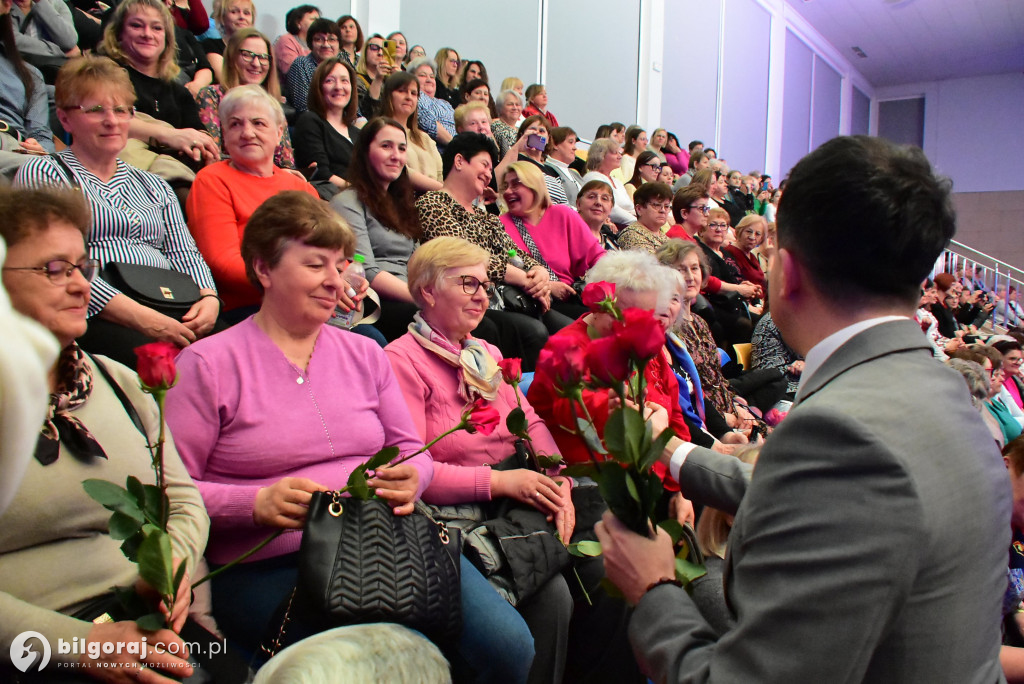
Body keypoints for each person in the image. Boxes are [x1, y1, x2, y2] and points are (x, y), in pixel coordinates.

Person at [595, 135, 1010, 683]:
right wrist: (669, 451)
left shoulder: (839, 432)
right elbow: (822, 496)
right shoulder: (949, 392)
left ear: (786, 272)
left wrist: (653, 588)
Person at [164, 192, 536, 682]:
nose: (334, 281)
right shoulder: (208, 364)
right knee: (383, 666)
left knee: (510, 647)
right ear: (264, 269)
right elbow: (172, 490)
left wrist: (414, 476)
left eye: (340, 266)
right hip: (273, 561)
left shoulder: (363, 353)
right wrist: (254, 504)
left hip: (382, 539)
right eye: (315, 264)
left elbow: (410, 450)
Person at [0, 186, 209, 681]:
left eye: (83, 267)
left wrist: (169, 567)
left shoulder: (117, 380)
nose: (81, 286)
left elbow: (182, 500)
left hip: (141, 617)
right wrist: (76, 645)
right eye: (55, 269)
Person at [385, 236, 574, 684]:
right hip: (461, 513)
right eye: (467, 283)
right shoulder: (400, 360)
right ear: (428, 291)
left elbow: (530, 421)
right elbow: (411, 472)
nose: (482, 296)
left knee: (608, 560)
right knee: (553, 597)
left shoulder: (485, 352)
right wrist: (501, 483)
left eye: (485, 285)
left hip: (518, 494)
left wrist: (558, 478)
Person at [15, 56, 220, 366]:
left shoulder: (155, 184)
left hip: (174, 303)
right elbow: (58, 265)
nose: (111, 121)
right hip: (97, 313)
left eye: (121, 110)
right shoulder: (45, 173)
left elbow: (183, 252)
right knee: (178, 368)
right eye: (96, 110)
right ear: (65, 119)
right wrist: (142, 317)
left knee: (244, 357)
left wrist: (209, 298)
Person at [417, 132, 567, 368]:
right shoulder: (433, 204)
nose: (489, 174)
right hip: (471, 299)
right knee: (533, 333)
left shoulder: (487, 218)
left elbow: (516, 253)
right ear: (459, 161)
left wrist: (539, 273)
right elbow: (460, 258)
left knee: (569, 331)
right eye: (484, 165)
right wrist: (521, 278)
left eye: (490, 168)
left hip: (510, 299)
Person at [186, 85, 322, 319]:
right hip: (249, 308)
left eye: (258, 123)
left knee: (367, 335)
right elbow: (222, 263)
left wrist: (344, 278)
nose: (247, 133)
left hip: (307, 300)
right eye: (235, 124)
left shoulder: (302, 188)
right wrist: (297, 283)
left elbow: (331, 248)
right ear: (224, 135)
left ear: (279, 133)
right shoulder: (212, 180)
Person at [329, 117, 421, 342]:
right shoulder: (348, 202)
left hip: (408, 295)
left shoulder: (403, 206)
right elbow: (366, 269)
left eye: (401, 148)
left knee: (492, 322)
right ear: (365, 152)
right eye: (386, 146)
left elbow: (417, 262)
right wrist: (423, 299)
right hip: (374, 300)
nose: (396, 156)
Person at [99, 0, 220, 169]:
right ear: (119, 34)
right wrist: (169, 136)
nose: (147, 34)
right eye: (136, 25)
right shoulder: (104, 77)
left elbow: (198, 133)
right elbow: (106, 121)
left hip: (179, 173)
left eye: (157, 28)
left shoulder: (179, 91)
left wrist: (202, 147)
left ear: (167, 38)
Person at [656, 239, 759, 436]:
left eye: (694, 268)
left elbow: (716, 377)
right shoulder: (667, 328)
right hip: (707, 420)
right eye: (681, 270)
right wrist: (721, 418)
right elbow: (687, 392)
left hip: (727, 406)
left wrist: (737, 405)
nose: (690, 276)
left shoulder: (699, 321)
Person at [499, 161, 604, 319]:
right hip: (534, 304)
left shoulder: (563, 214)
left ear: (534, 185)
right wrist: (547, 286)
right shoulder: (499, 225)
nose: (508, 191)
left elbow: (598, 258)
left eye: (515, 184)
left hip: (571, 297)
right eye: (505, 186)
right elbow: (501, 270)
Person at [196, 28, 295, 170]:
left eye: (263, 57)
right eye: (247, 55)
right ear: (232, 58)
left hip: (271, 177)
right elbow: (212, 155)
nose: (256, 63)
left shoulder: (271, 104)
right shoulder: (211, 95)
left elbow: (287, 162)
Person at [0, 0, 54, 178]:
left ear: (6, 5)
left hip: (17, 150)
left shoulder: (30, 74)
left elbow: (41, 135)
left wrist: (40, 148)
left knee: (45, 171)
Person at [292, 56, 360, 196]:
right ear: (319, 87)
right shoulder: (310, 121)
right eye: (330, 80)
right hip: (330, 199)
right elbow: (321, 174)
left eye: (344, 81)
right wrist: (361, 192)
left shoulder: (357, 133)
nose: (338, 87)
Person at [379, 70, 443, 191]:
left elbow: (439, 175)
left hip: (434, 197)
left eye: (413, 93)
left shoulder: (425, 138)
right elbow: (403, 172)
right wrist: (444, 190)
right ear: (389, 95)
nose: (409, 97)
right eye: (402, 91)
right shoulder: (380, 132)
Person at [494, 115, 567, 205]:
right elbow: (496, 181)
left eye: (541, 131)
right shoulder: (516, 159)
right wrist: (518, 146)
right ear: (522, 135)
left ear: (548, 139)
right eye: (532, 130)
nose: (537, 133)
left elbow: (564, 201)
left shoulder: (552, 171)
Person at [285, 17, 339, 114]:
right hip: (314, 120)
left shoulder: (342, 67)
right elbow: (304, 107)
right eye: (319, 39)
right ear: (310, 43)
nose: (326, 45)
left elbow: (354, 107)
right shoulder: (302, 64)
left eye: (331, 39)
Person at [580, 138, 635, 228]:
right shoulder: (593, 177)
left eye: (620, 153)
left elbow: (630, 207)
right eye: (615, 153)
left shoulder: (617, 182)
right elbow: (611, 209)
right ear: (600, 155)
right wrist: (637, 223)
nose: (620, 157)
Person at [408, 56, 455, 149]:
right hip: (438, 150)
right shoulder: (416, 97)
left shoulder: (445, 103)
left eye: (432, 76)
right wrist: (457, 146)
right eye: (423, 75)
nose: (429, 79)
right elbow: (430, 123)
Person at [201, 0, 254, 81]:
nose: (242, 17)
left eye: (246, 13)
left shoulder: (259, 49)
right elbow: (226, 81)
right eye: (234, 12)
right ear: (222, 18)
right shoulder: (211, 45)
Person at [617, 181, 672, 254]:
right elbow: (653, 261)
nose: (663, 210)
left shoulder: (664, 237)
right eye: (656, 205)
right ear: (639, 209)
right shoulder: (632, 235)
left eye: (666, 206)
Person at [722, 214, 767, 293]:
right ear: (740, 231)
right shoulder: (729, 253)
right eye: (749, 232)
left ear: (761, 238)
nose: (752, 237)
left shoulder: (752, 256)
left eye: (757, 234)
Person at [353, 33, 394, 118]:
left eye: (384, 49)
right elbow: (365, 112)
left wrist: (398, 79)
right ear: (365, 52)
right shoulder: (356, 79)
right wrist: (378, 79)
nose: (380, 53)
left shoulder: (389, 81)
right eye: (374, 48)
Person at [273, 4, 318, 79]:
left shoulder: (318, 45)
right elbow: (295, 73)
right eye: (313, 19)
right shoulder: (286, 40)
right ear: (298, 23)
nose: (318, 23)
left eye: (318, 20)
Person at [544, 126, 583, 205]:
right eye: (570, 142)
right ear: (555, 144)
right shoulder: (546, 170)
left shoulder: (575, 174)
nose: (575, 148)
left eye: (574, 143)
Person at [576, 179, 619, 250]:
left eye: (604, 199)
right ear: (578, 204)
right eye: (591, 197)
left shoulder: (613, 245)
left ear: (610, 209)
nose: (598, 202)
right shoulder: (566, 237)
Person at [492, 89, 523, 157]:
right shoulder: (498, 127)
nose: (515, 108)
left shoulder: (519, 129)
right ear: (500, 108)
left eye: (517, 104)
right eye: (510, 104)